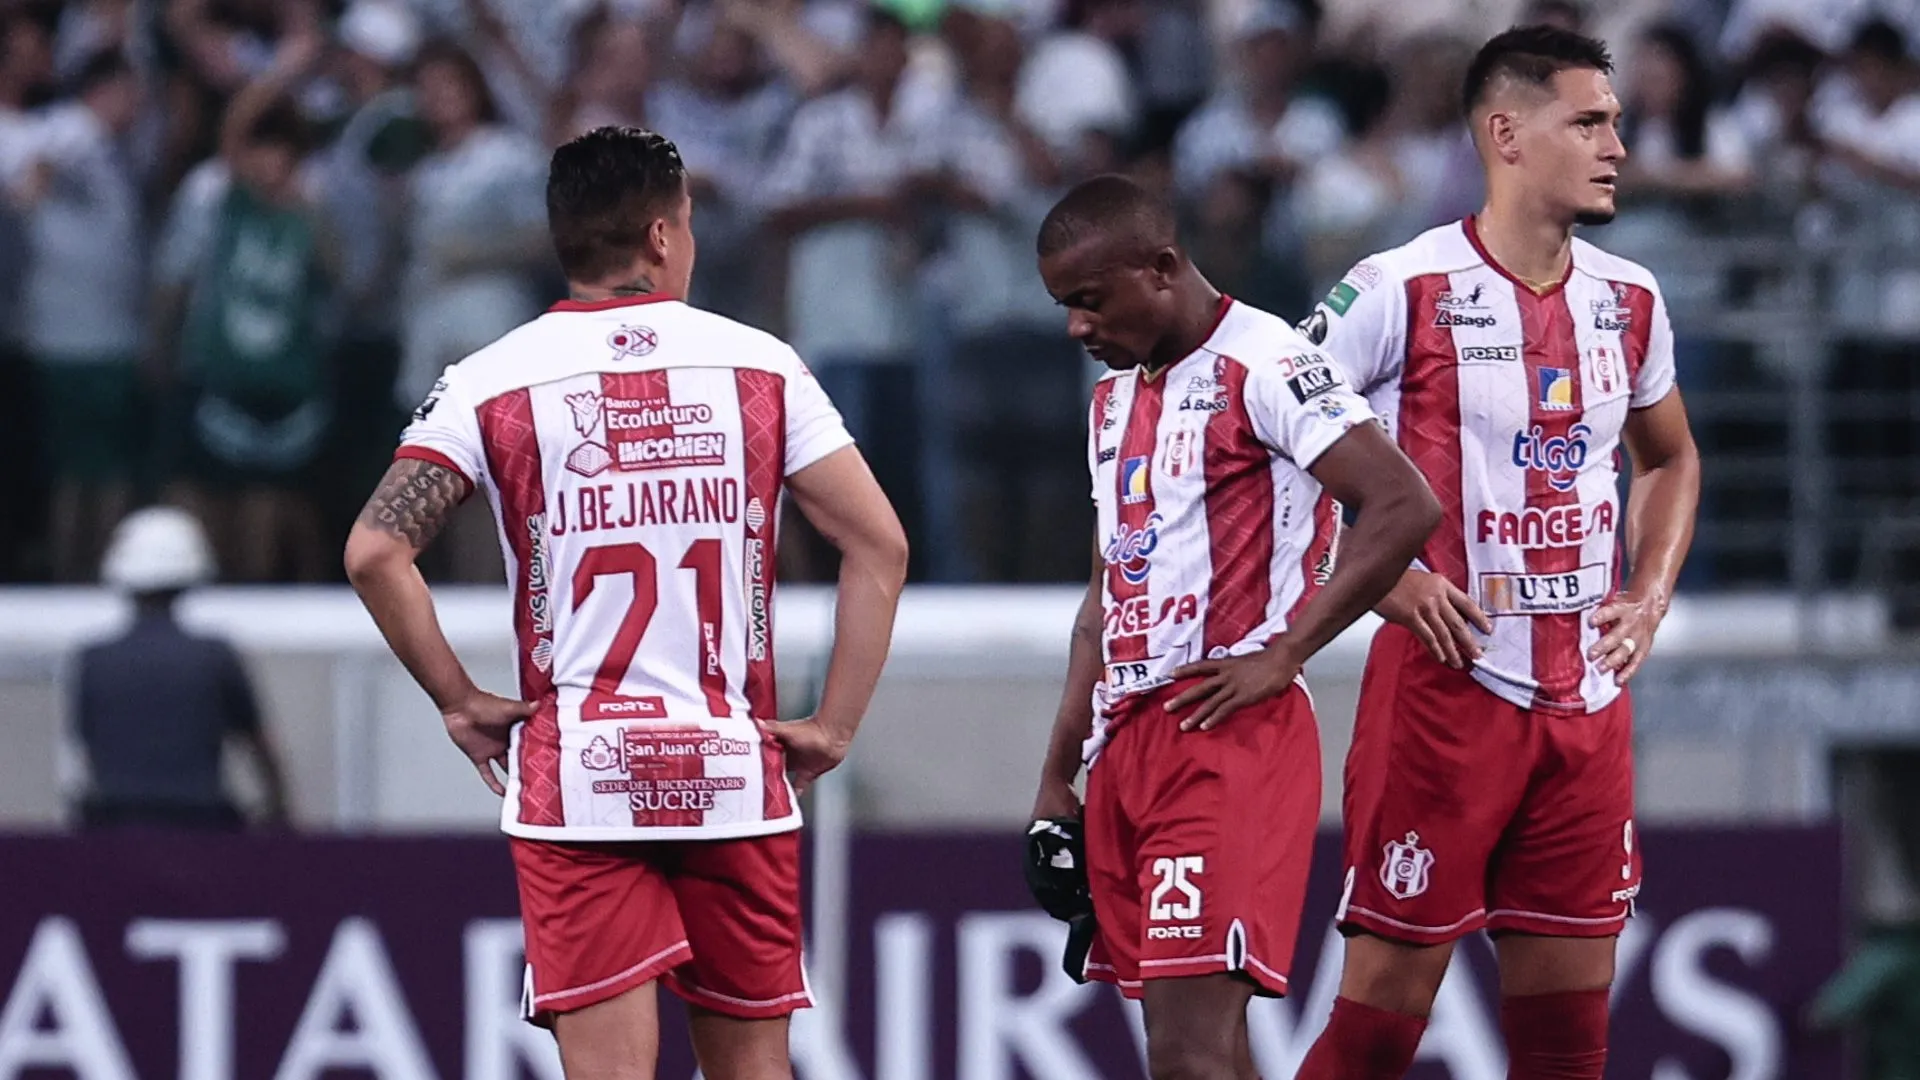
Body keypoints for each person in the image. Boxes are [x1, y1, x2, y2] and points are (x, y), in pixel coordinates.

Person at [343, 126, 908, 1080]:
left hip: (582, 784)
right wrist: (835, 724)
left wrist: (458, 697)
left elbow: (375, 551)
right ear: (660, 234)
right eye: (685, 222)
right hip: (733, 771)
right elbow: (879, 545)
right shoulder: (762, 367)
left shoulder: (492, 378)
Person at [1292, 25, 1702, 1080]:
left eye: (1617, 121)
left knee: (1569, 1047)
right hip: (1444, 695)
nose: (1618, 143)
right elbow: (1266, 448)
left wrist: (1650, 592)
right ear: (1506, 133)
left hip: (1587, 709)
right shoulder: (1395, 289)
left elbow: (1669, 459)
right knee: (1378, 1032)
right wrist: (1394, 574)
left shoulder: (1632, 298)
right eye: (1591, 122)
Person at [1024, 174, 1441, 1080]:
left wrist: (1284, 652)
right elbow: (1105, 595)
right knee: (1207, 1053)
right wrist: (1061, 773)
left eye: (1090, 302)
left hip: (1225, 734)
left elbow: (1403, 503)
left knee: (1189, 1053)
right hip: (1128, 743)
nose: (1077, 328)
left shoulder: (1269, 361)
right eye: (1064, 306)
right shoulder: (1109, 404)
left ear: (1163, 267)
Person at [74, 506, 289, 829]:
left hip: (114, 827)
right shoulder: (215, 656)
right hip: (201, 829)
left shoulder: (94, 659)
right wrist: (280, 812)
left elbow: (84, 752)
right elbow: (259, 747)